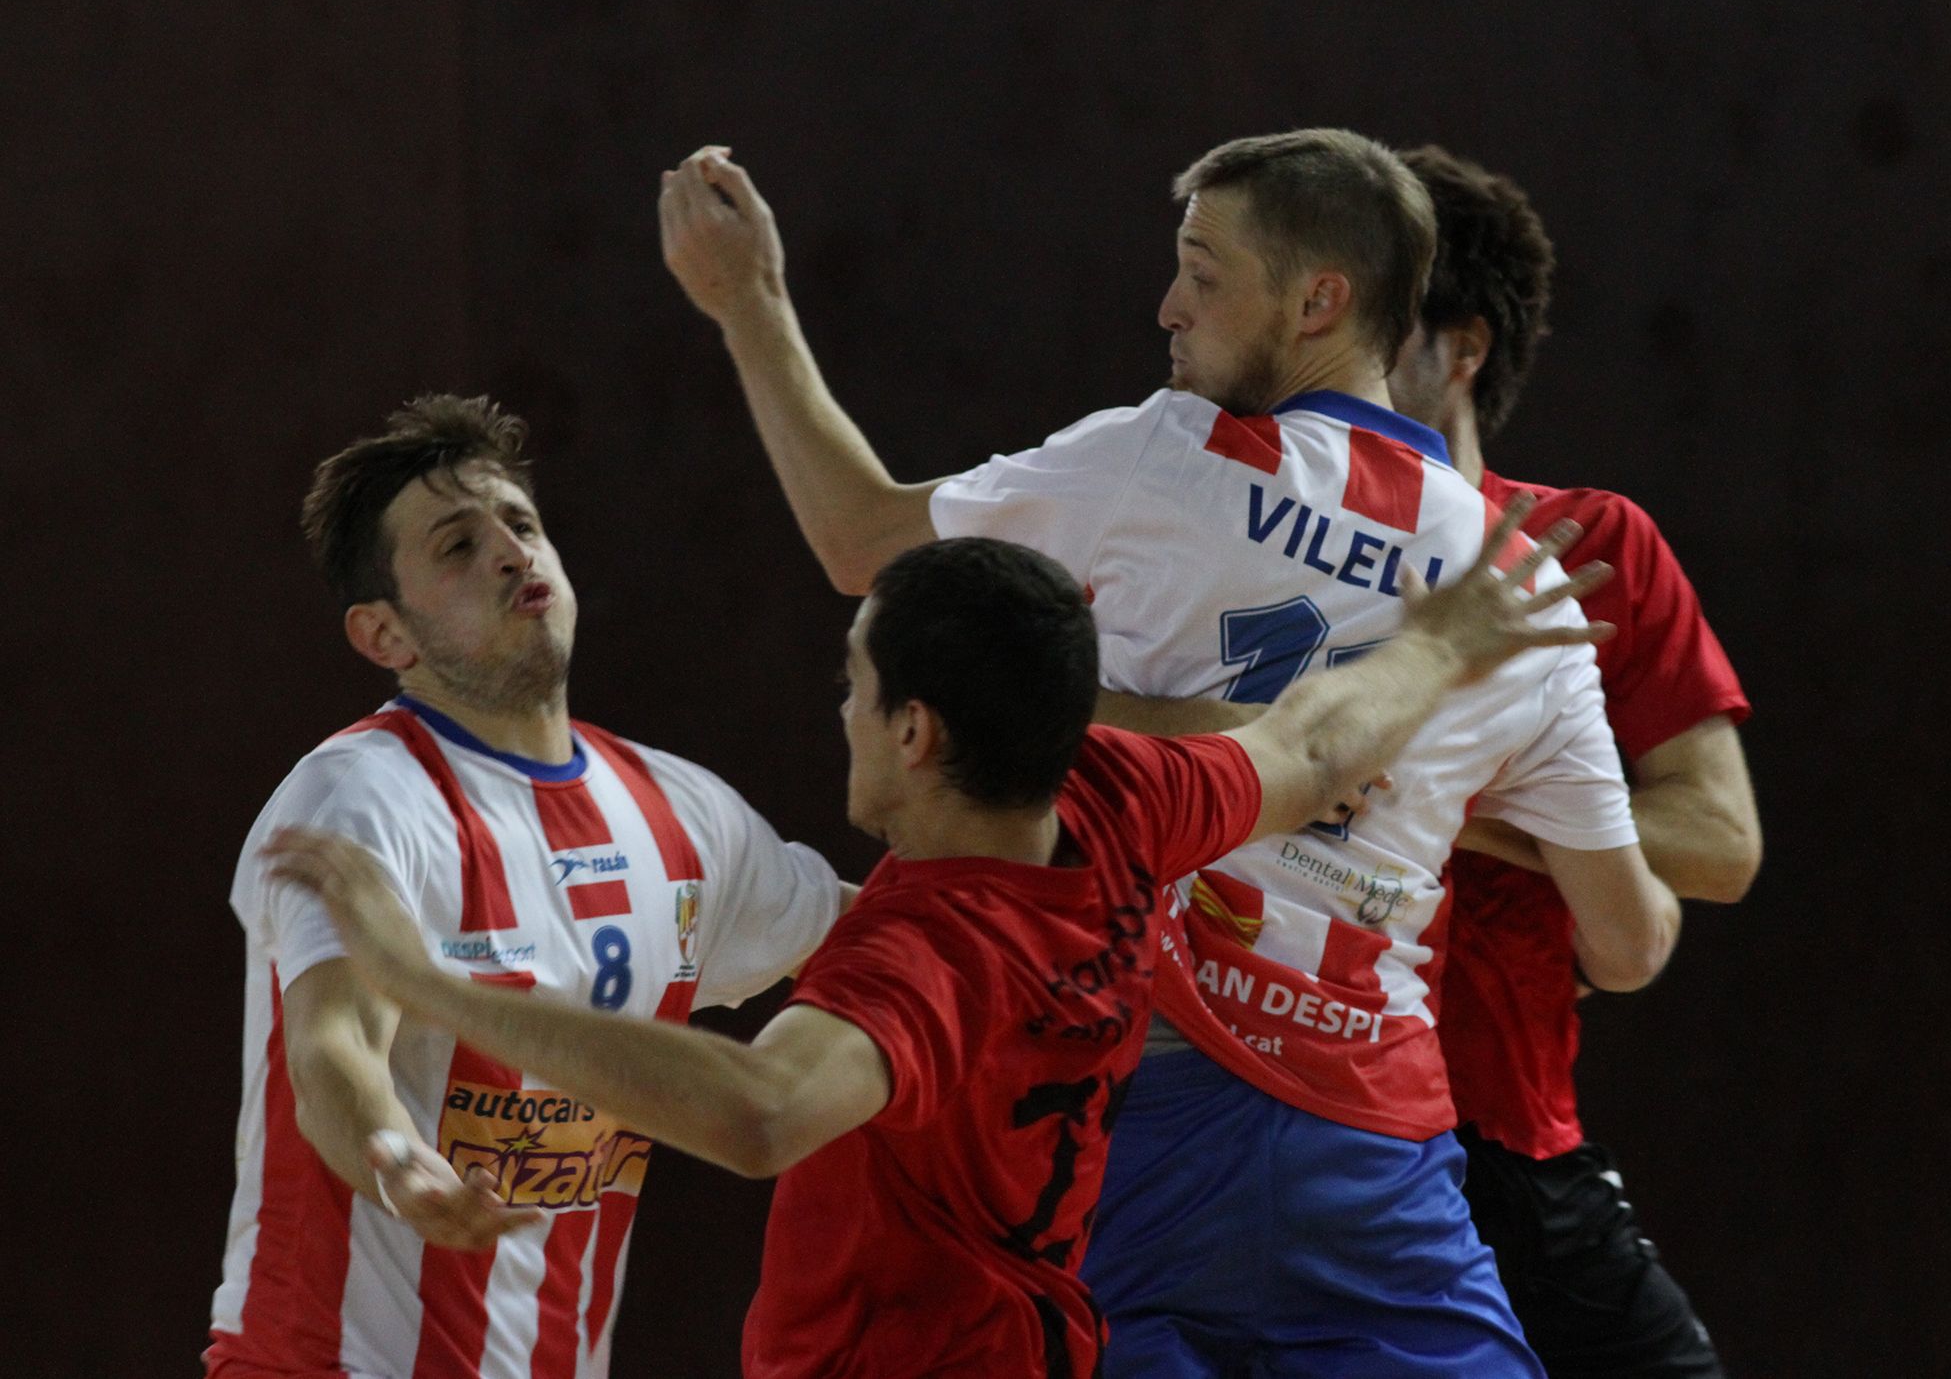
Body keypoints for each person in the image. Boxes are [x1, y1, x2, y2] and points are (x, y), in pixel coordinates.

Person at [656, 128, 1682, 1375]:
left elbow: (858, 539)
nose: (1168, 306)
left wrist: (748, 303)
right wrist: (1434, 795)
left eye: (1202, 271)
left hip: (1131, 1107)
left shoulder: (1169, 453)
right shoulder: (1514, 579)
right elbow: (1626, 945)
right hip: (1373, 1149)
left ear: (1318, 301)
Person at [270, 513, 1613, 1378]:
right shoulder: (1119, 798)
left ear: (915, 730)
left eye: (857, 684)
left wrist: (424, 980)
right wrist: (1442, 640)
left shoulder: (928, 950)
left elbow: (761, 1108)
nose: (841, 707)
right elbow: (1314, 743)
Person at [204, 396, 847, 1379]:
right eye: (458, 546)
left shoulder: (681, 812)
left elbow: (884, 932)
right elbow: (332, 1046)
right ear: (385, 636)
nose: (511, 552)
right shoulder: (359, 795)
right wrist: (394, 1154)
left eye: (523, 523)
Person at [1389, 144, 1761, 1377]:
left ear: (1461, 347)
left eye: (1360, 317)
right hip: (1313, 1131)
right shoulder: (1254, 548)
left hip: (1510, 1141)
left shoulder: (1589, 544)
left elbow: (1715, 845)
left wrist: (1476, 806)